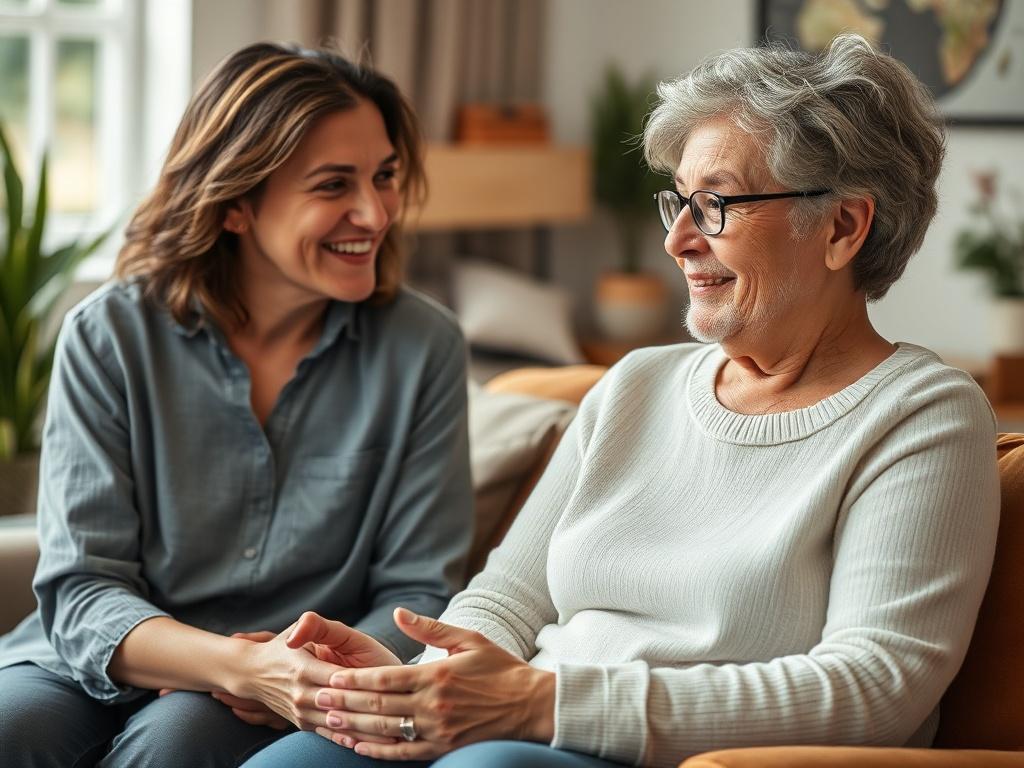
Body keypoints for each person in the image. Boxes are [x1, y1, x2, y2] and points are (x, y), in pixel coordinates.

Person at [242, 33, 1001, 768]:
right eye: (680, 203)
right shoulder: (637, 384)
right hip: (520, 730)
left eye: (718, 205)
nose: (677, 242)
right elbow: (508, 597)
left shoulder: (921, 416)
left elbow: (874, 687)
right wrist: (423, 679)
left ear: (842, 226)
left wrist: (540, 704)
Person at [0, 43, 473, 768]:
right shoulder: (109, 337)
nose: (374, 212)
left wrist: (306, 674)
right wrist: (234, 663)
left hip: (294, 688)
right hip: (87, 662)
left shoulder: (423, 348)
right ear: (234, 205)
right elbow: (83, 587)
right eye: (332, 185)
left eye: (384, 177)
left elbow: (417, 589)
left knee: (179, 743)